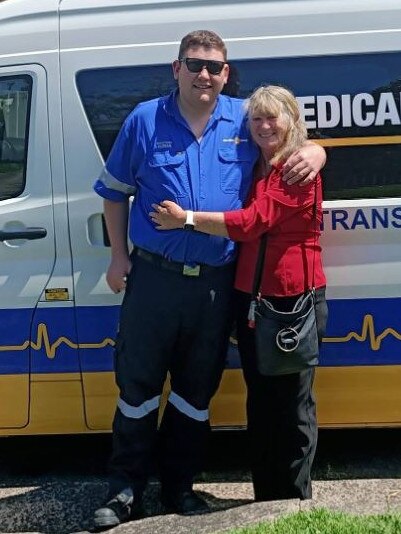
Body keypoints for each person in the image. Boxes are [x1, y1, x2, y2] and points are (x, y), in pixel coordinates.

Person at [93, 29, 326, 530]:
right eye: (194, 64)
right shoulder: (144, 120)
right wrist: (117, 258)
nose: (204, 74)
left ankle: (179, 486)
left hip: (217, 283)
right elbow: (113, 192)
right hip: (155, 278)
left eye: (215, 67)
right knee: (137, 387)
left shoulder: (242, 118)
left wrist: (319, 150)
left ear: (226, 73)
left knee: (196, 391)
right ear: (175, 68)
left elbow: (284, 135)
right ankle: (124, 489)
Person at [150, 84, 328, 503]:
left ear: (292, 120)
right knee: (263, 403)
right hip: (253, 299)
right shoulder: (258, 166)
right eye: (257, 119)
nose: (265, 126)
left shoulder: (298, 168)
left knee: (293, 408)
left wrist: (187, 219)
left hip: (290, 300)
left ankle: (293, 503)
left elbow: (253, 223)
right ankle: (268, 498)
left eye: (273, 117)